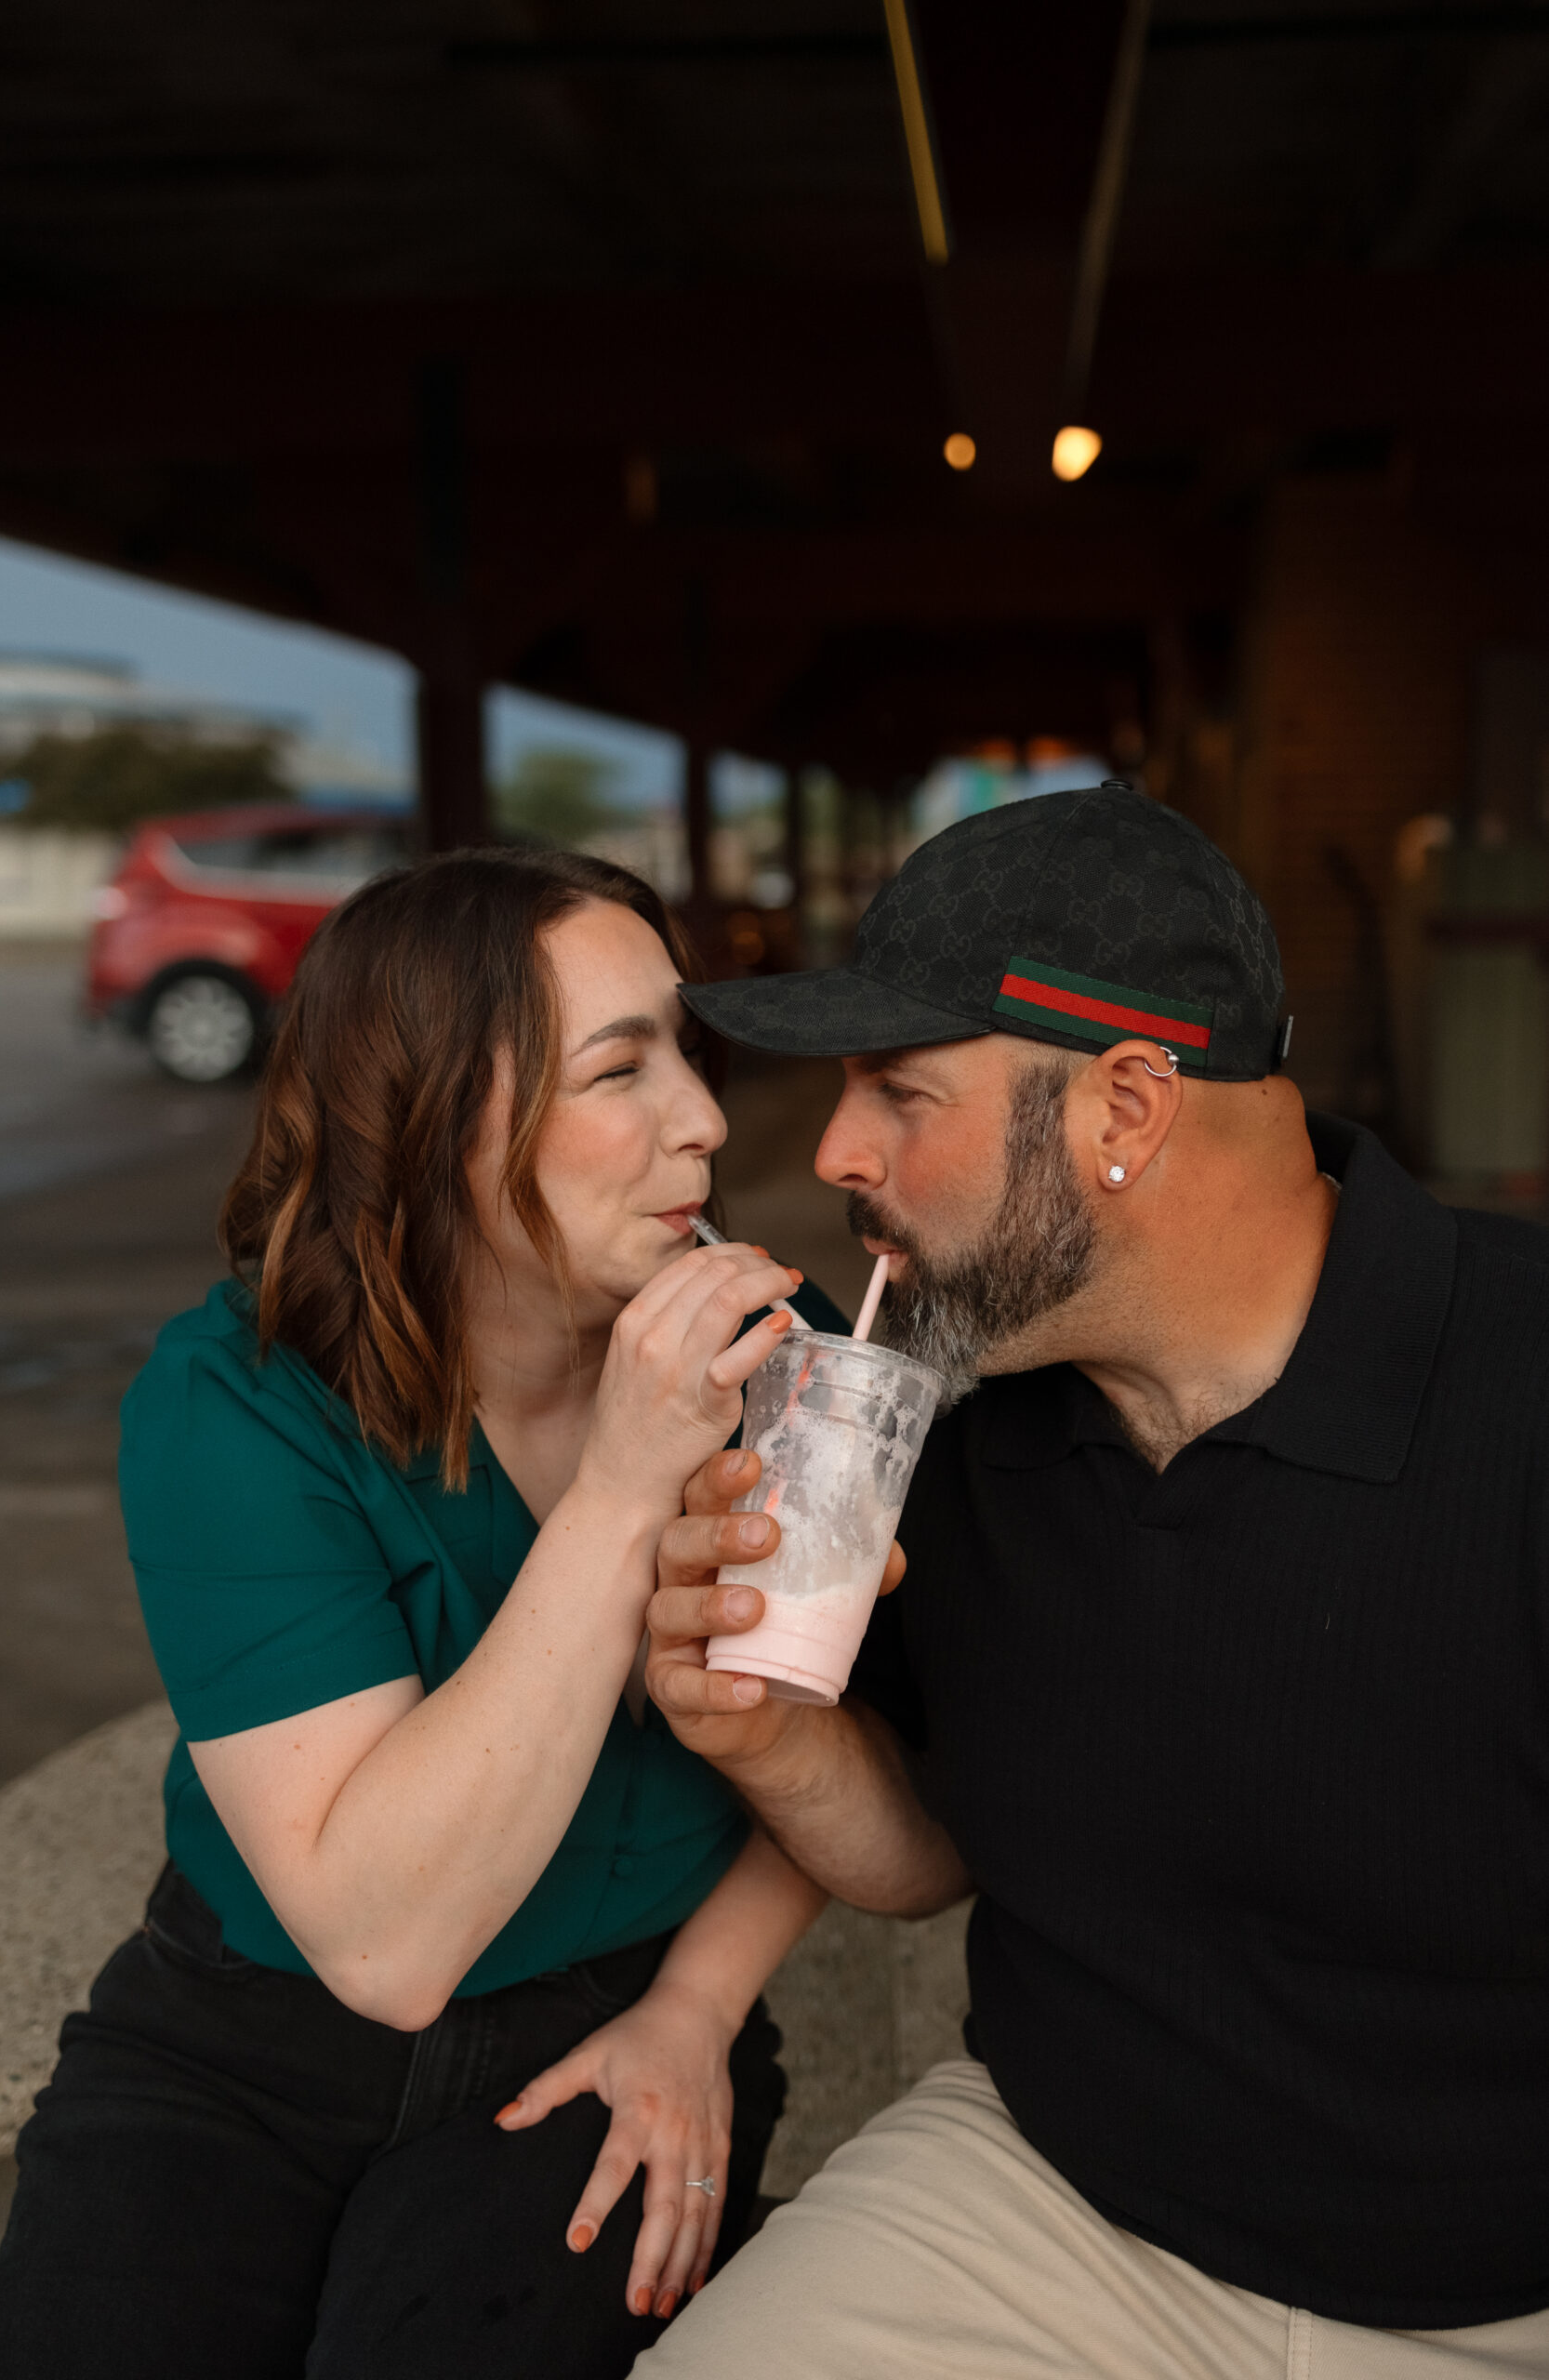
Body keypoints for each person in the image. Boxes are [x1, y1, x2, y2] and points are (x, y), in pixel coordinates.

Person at [632, 780, 1549, 2380]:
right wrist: (769, 1735)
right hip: (1058, 2202)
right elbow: (929, 1854)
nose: (835, 1148)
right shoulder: (973, 1422)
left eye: (901, 1093)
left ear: (1126, 1110)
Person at [0, 848, 844, 2380]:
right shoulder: (237, 1400)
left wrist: (701, 2008)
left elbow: (858, 1745)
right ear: (431, 1121)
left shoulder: (788, 1360)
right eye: (621, 1068)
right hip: (251, 2036)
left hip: (617, 2018)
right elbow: (384, 1947)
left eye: (686, 1052)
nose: (705, 1118)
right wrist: (625, 1495)